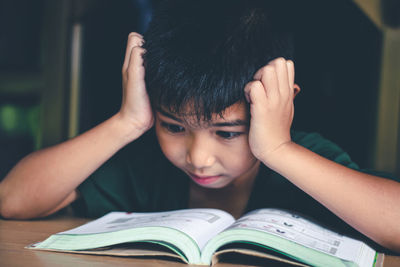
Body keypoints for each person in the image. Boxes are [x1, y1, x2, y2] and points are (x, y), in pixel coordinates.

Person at [0, 0, 399, 254]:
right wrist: (128, 121)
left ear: (277, 105)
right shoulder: (142, 165)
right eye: (173, 126)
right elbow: (12, 200)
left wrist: (278, 150)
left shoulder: (306, 159)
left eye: (227, 133)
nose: (198, 157)